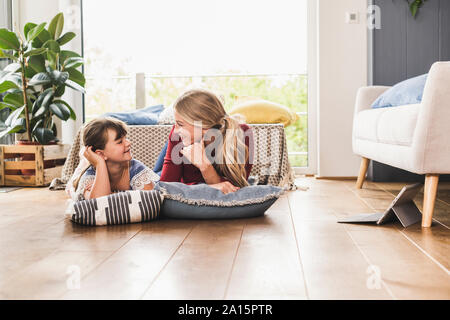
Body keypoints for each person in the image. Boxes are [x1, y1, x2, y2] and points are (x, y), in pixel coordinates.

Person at [160, 89, 254, 194]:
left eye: (180, 124)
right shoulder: (177, 136)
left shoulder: (242, 134)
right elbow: (166, 188)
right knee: (148, 180)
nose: (175, 130)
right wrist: (210, 187)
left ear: (204, 127)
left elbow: (234, 192)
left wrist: (206, 167)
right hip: (165, 170)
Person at [73, 117, 159, 200]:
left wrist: (111, 194)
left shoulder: (136, 169)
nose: (128, 143)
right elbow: (99, 204)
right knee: (74, 187)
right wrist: (100, 163)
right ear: (100, 154)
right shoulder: (90, 176)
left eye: (126, 138)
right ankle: (82, 164)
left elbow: (150, 199)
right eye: (120, 142)